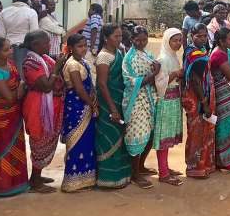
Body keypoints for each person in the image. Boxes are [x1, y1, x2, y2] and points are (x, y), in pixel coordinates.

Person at [21, 30, 66, 193]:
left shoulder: (44, 58)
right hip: (38, 107)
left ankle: (38, 175)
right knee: (39, 141)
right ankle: (35, 180)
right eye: (46, 42)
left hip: (51, 105)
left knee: (48, 140)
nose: (49, 44)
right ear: (35, 45)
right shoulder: (31, 63)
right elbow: (46, 86)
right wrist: (57, 68)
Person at [0, 38, 29, 196]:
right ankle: (2, 186)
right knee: (2, 148)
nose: (11, 51)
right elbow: (10, 98)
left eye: (10, 48)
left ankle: (18, 184)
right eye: (6, 50)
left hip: (15, 115)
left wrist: (20, 88)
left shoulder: (10, 65)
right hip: (2, 116)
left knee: (16, 148)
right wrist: (21, 86)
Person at [122, 26, 159, 189]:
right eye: (138, 40)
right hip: (136, 101)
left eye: (144, 39)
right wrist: (154, 74)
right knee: (137, 135)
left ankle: (141, 166)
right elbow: (133, 81)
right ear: (132, 40)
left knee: (150, 134)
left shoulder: (146, 54)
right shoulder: (129, 59)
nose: (141, 42)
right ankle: (134, 174)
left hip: (150, 99)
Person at [95, 24, 131, 189]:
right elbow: (102, 84)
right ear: (106, 38)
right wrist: (113, 109)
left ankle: (121, 175)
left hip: (120, 99)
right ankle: (108, 178)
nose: (119, 39)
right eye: (116, 36)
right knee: (109, 136)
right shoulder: (104, 57)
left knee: (121, 137)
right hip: (109, 103)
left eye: (120, 36)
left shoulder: (118, 52)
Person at [61, 34, 97, 192]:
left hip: (86, 106)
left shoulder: (82, 62)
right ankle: (72, 182)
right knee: (76, 142)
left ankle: (86, 179)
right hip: (77, 107)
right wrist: (92, 104)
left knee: (87, 142)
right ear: (70, 48)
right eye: (79, 46)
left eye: (85, 45)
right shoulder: (72, 65)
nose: (83, 49)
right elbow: (79, 89)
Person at [151, 28, 184, 186]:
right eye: (175, 40)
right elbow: (159, 83)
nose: (178, 43)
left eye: (180, 40)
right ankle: (163, 173)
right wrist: (176, 74)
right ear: (167, 41)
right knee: (164, 137)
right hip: (165, 101)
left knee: (169, 136)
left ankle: (165, 167)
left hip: (174, 99)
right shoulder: (163, 59)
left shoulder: (172, 56)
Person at [182, 23, 216, 179]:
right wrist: (204, 101)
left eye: (204, 36)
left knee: (204, 130)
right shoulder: (194, 53)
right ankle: (195, 166)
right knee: (196, 131)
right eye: (198, 36)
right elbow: (195, 80)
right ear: (191, 36)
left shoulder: (199, 51)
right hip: (196, 97)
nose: (202, 39)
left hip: (201, 95)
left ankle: (204, 164)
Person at [209, 28, 230, 172]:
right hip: (224, 96)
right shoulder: (219, 55)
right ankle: (224, 162)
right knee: (225, 126)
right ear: (221, 41)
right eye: (229, 39)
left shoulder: (225, 52)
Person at [0, 0, 39, 74]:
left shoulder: (4, 12)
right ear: (27, 0)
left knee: (11, 72)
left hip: (8, 48)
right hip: (25, 47)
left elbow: (1, 34)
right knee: (24, 72)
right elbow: (34, 34)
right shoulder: (31, 12)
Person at [82, 3, 103, 80]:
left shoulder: (95, 16)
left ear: (94, 10)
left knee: (90, 67)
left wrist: (92, 47)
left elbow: (94, 30)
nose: (88, 12)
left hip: (90, 48)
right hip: (92, 46)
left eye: (89, 9)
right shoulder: (98, 18)